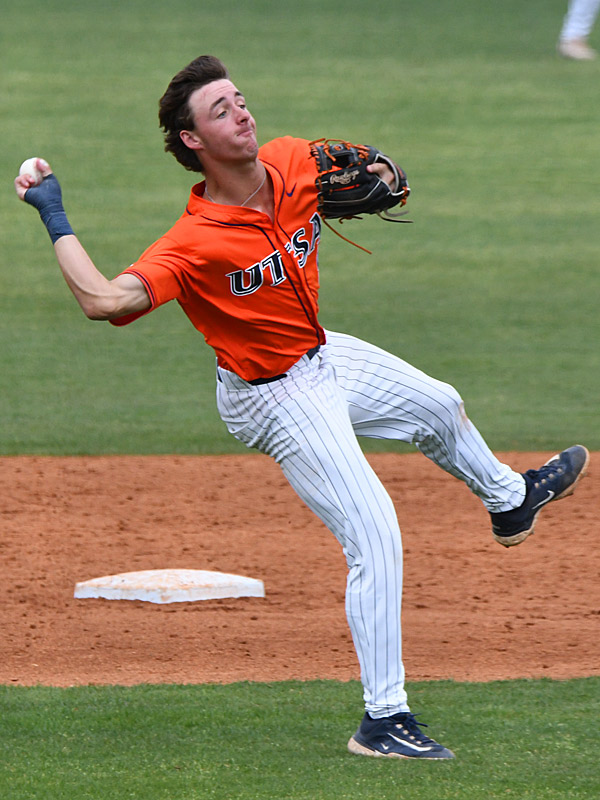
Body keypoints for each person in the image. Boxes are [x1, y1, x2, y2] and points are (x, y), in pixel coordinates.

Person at [15, 55, 589, 761]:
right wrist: (53, 214)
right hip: (273, 397)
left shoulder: (291, 162)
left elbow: (365, 170)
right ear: (192, 141)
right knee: (375, 533)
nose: (242, 113)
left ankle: (509, 499)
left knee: (439, 404)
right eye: (221, 110)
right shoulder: (192, 244)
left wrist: (380, 179)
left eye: (241, 100)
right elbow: (102, 301)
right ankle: (383, 720)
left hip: (323, 355)